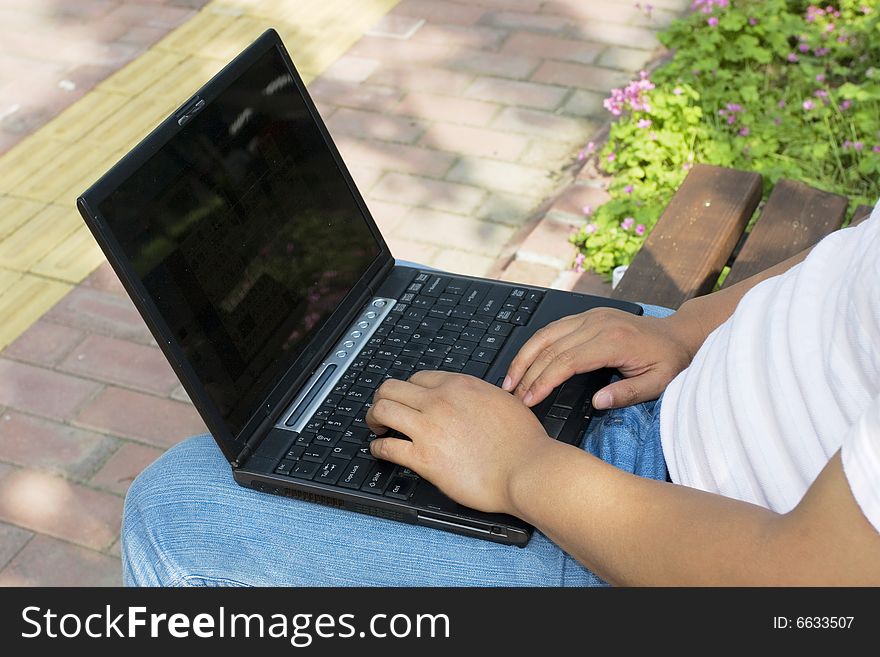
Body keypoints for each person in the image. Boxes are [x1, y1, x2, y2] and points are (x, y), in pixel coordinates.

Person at [122, 205, 880, 586]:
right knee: (372, 306)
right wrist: (687, 330)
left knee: (173, 505)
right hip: (694, 381)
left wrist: (521, 468)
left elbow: (811, 591)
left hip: (682, 529)